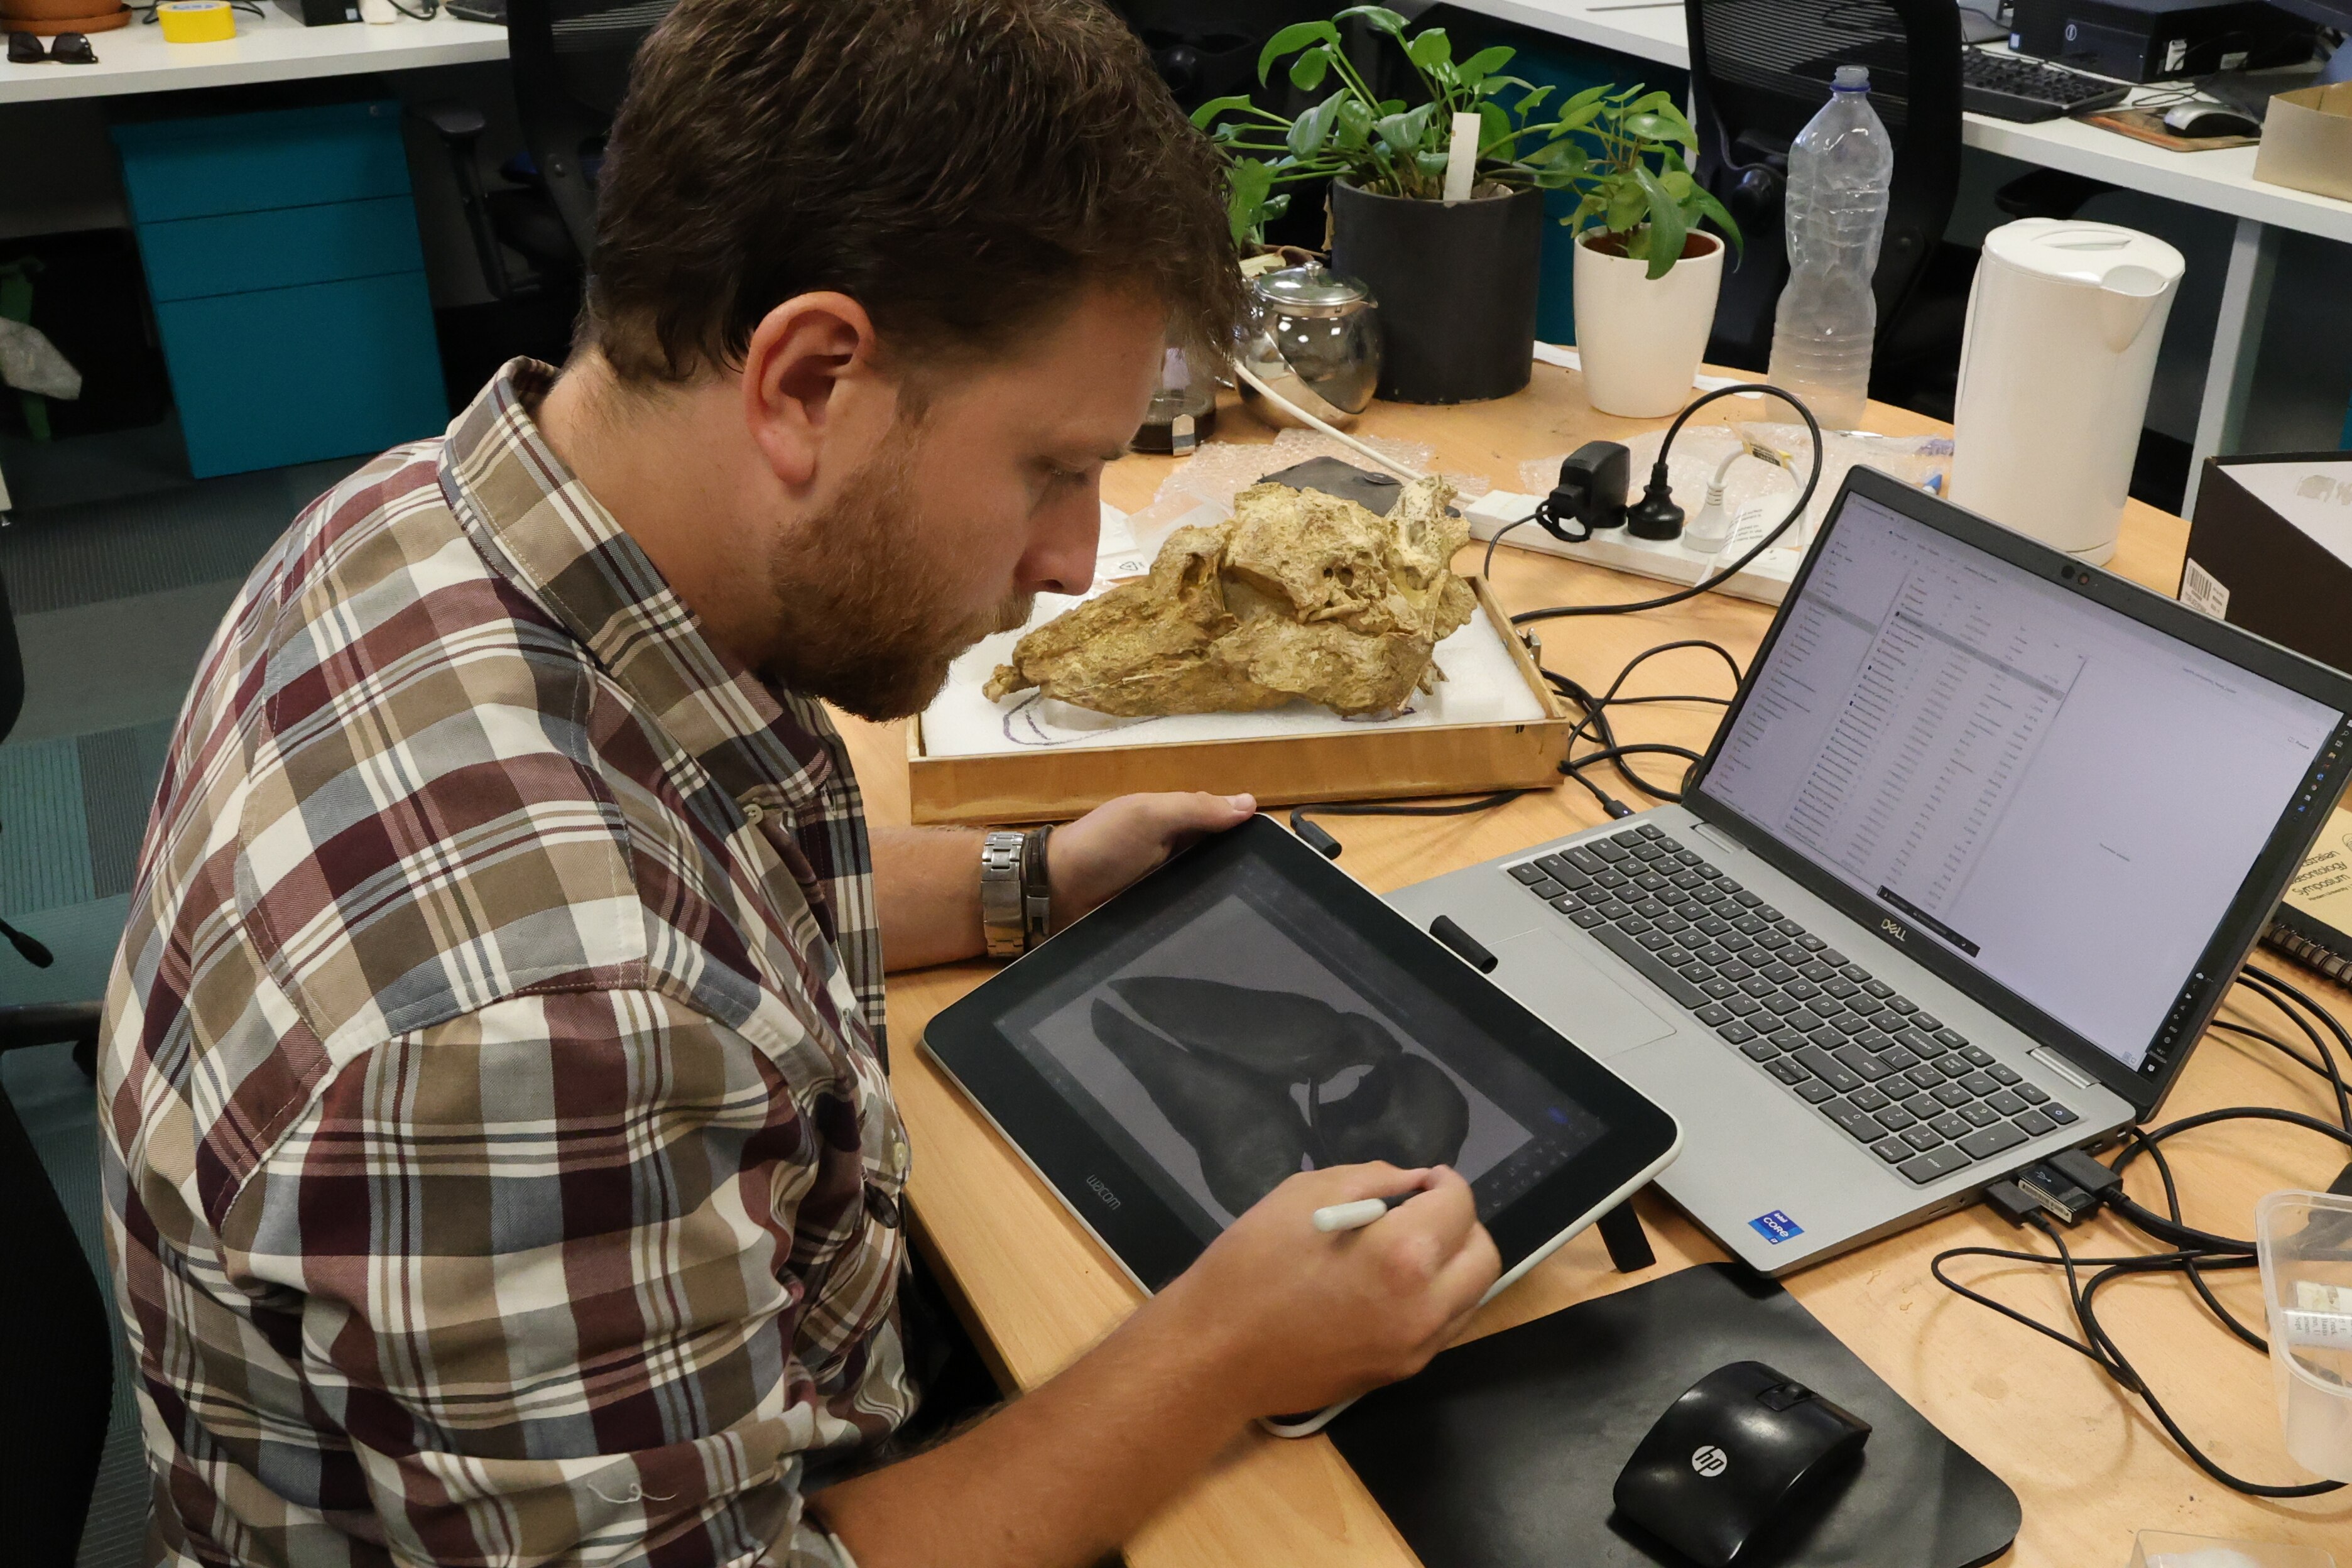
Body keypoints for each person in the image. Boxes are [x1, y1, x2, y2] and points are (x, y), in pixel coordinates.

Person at [96, 2, 1501, 1565]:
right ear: (809, 379)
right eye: (1049, 467)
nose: (1073, 558)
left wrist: (1026, 881)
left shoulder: (417, 512)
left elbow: (698, 873)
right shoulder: (538, 1045)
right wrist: (1225, 1354)